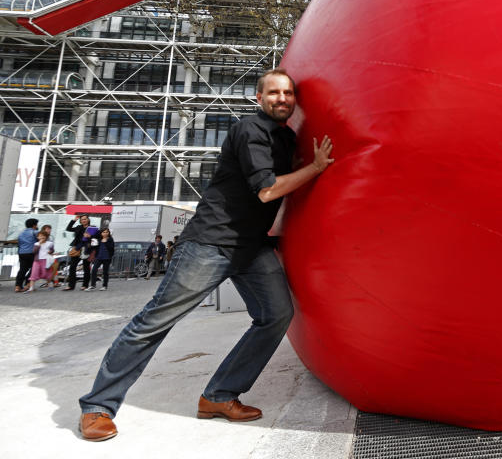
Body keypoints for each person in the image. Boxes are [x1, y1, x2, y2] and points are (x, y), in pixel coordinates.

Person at [79, 68, 334, 442]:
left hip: (250, 246)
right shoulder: (251, 129)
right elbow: (266, 191)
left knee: (276, 315)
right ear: (259, 99)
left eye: (289, 94)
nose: (283, 99)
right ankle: (97, 407)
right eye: (274, 93)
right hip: (211, 242)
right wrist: (315, 168)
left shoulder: (286, 137)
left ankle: (219, 395)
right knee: (155, 322)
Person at [64, 215, 96, 291]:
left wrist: (90, 236)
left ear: (88, 220)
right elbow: (68, 229)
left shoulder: (92, 228)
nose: (83, 220)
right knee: (72, 267)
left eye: (85, 219)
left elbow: (97, 237)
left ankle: (85, 285)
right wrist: (74, 220)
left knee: (86, 267)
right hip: (77, 248)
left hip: (87, 248)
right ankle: (71, 285)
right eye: (82, 219)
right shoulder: (78, 227)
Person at [15, 218, 39, 293]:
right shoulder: (35, 232)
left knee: (22, 269)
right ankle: (27, 284)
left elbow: (19, 244)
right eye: (36, 224)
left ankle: (18, 286)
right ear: (34, 225)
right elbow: (41, 241)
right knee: (33, 269)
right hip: (31, 253)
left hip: (21, 253)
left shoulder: (21, 233)